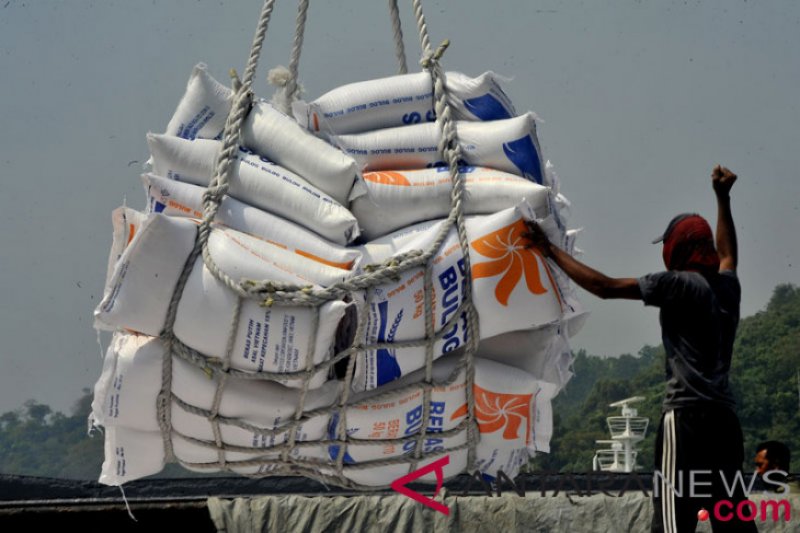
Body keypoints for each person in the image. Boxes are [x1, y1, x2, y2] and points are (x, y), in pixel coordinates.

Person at [525, 165, 758, 532]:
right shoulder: (728, 287)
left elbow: (604, 286)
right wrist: (723, 198)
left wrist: (548, 249)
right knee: (730, 516)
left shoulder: (680, 285)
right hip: (724, 422)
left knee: (670, 520)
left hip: (686, 419)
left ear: (676, 248)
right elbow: (728, 254)